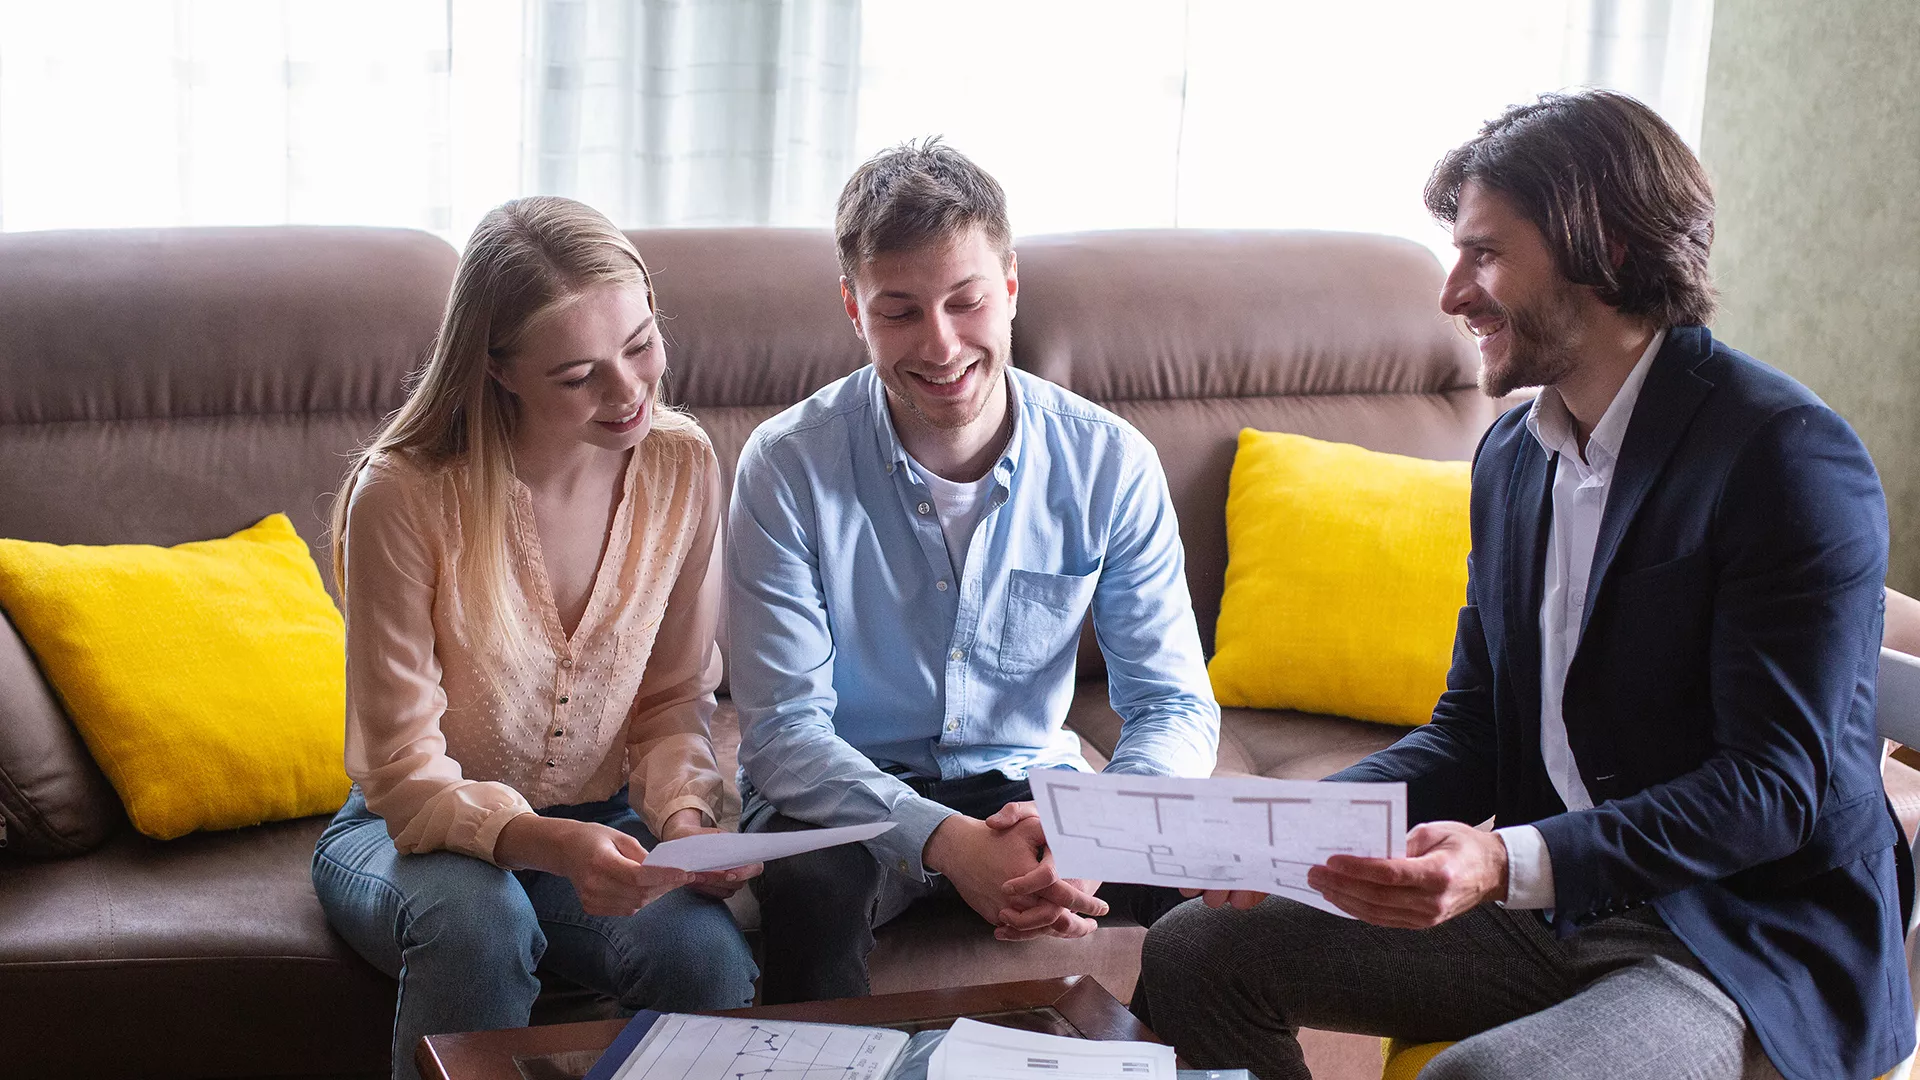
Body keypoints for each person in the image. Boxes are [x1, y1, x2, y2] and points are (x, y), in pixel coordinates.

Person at [1136, 90, 1913, 1080]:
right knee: (1199, 953)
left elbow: (1773, 790)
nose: (1453, 293)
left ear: (1613, 250)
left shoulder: (1785, 458)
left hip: (1740, 937)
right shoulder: (1513, 455)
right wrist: (1275, 835)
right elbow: (1475, 732)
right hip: (1558, 907)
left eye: (1487, 254)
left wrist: (1509, 862)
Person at [727, 138, 1221, 1004]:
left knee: (1223, 886)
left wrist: (1095, 832)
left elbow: (1173, 703)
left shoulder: (1110, 462)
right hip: (845, 785)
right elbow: (782, 734)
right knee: (813, 890)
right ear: (852, 308)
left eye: (967, 302)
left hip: (1031, 779)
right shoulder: (786, 464)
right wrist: (948, 841)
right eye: (900, 311)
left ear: (1011, 287)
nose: (942, 344)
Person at [311, 197, 758, 1080]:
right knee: (482, 922)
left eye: (641, 345)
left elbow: (671, 701)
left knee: (702, 956)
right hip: (411, 834)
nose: (629, 392)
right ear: (498, 370)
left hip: (602, 819)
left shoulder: (682, 464)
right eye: (579, 374)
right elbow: (403, 771)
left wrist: (684, 824)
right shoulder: (404, 495)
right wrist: (548, 844)